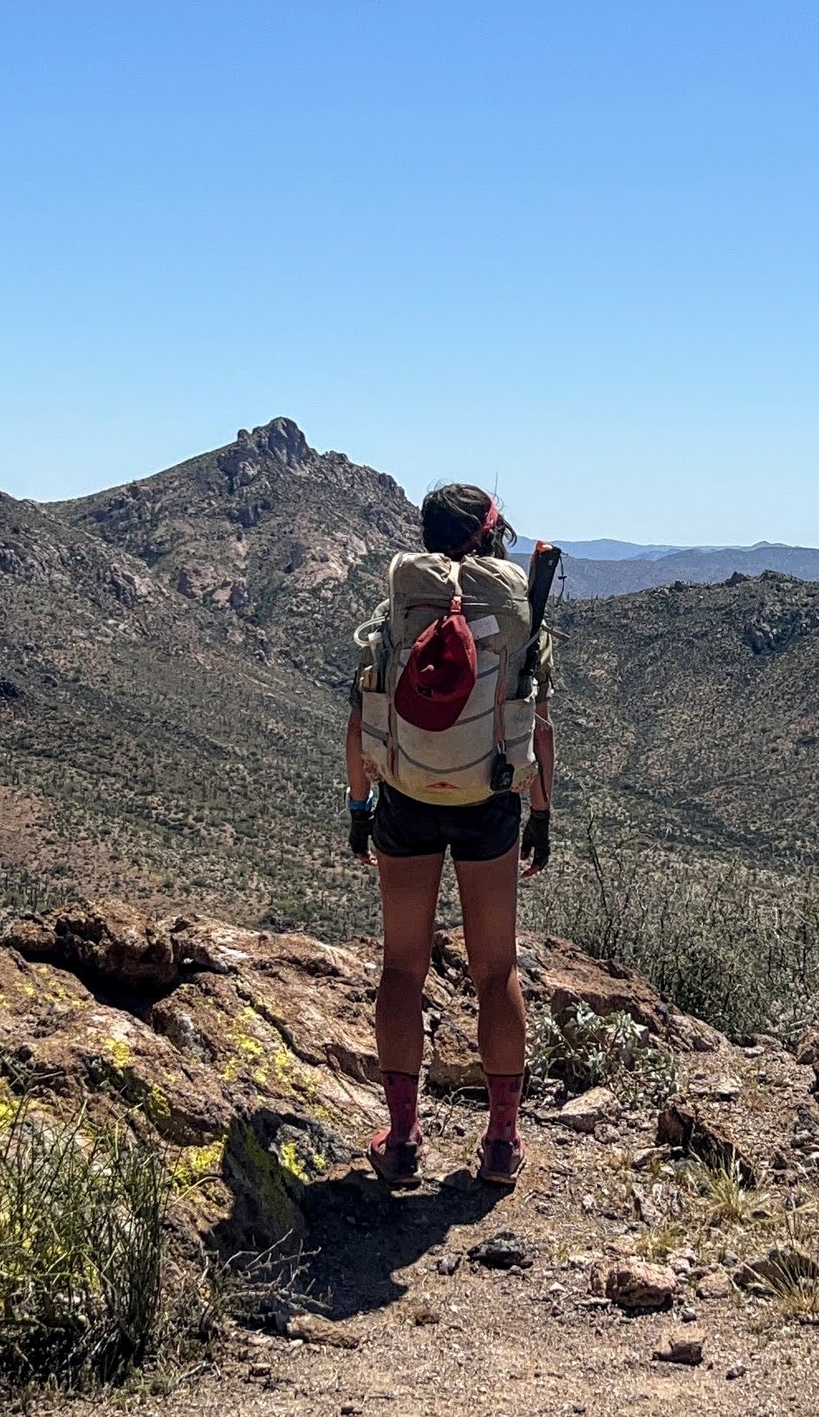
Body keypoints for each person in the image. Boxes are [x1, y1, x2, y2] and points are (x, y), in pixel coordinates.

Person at [345, 482, 555, 1188]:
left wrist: (358, 806)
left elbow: (363, 712)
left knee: (402, 967)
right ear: (492, 537)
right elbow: (539, 724)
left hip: (404, 795)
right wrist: (542, 816)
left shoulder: (399, 610)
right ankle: (500, 1142)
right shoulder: (515, 613)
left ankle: (402, 1140)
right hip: (489, 798)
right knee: (497, 969)